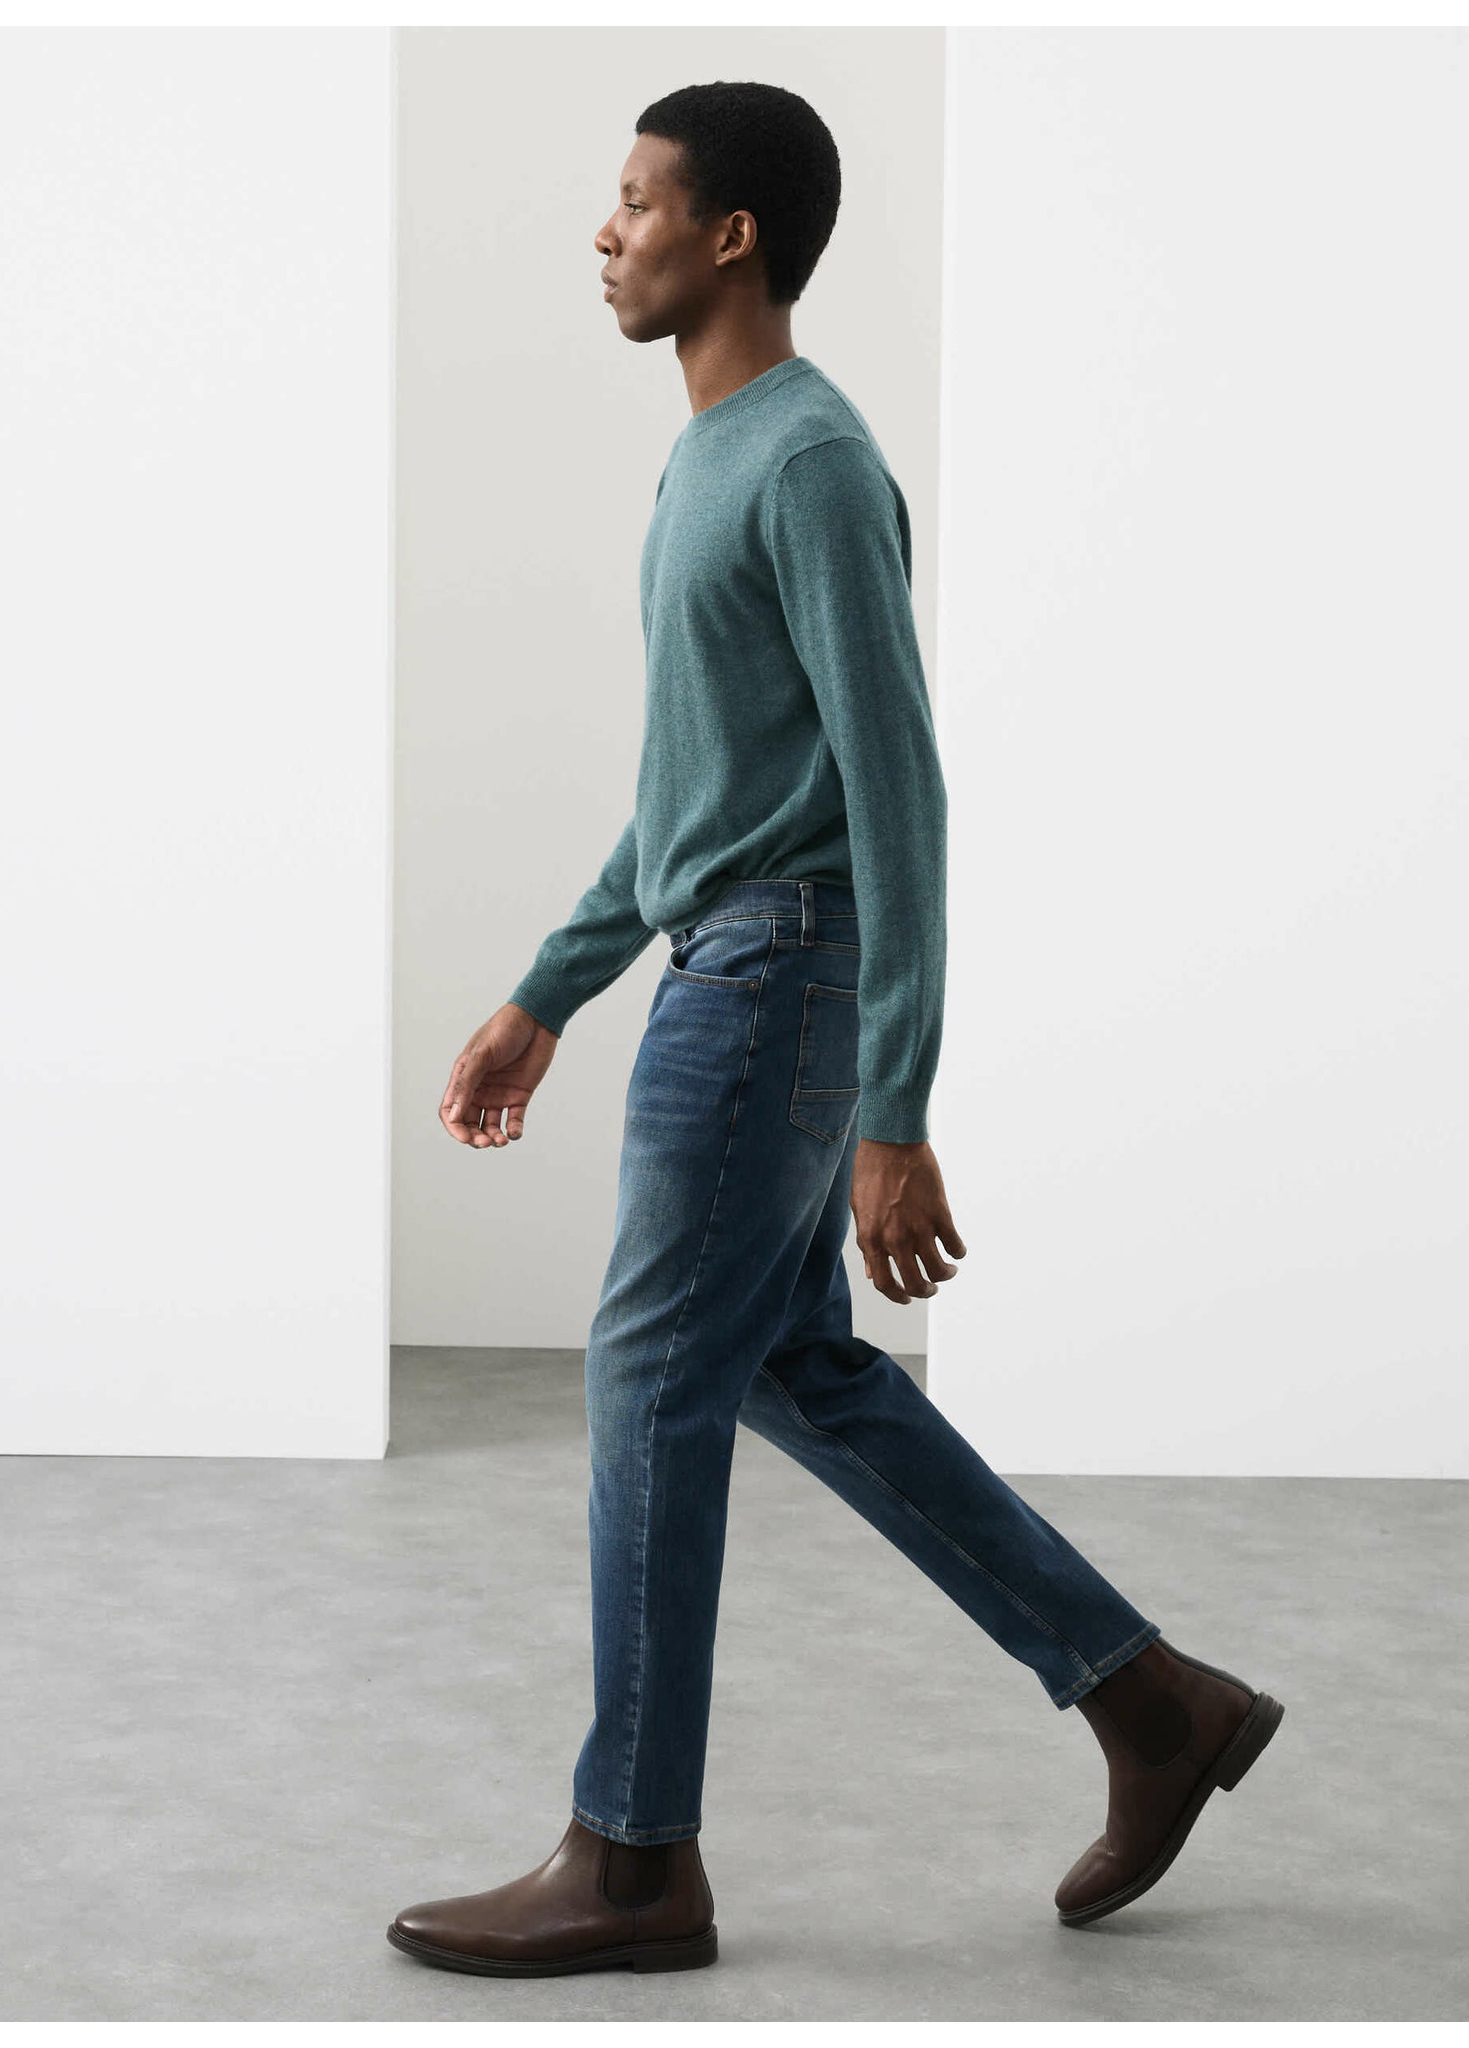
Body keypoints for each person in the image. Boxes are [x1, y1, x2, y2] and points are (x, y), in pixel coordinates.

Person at [387, 81, 1284, 1980]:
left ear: (730, 238)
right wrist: (548, 991)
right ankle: (1154, 1703)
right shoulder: (705, 461)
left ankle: (635, 1858)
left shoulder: (805, 461)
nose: (605, 233)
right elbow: (690, 798)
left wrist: (897, 1105)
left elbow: (899, 795)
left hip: (777, 976)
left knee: (650, 1374)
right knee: (791, 1363)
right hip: (731, 955)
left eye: (637, 203)